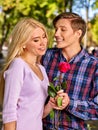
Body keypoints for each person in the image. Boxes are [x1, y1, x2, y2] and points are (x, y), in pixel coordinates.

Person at [0, 17, 61, 130]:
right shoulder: (18, 65)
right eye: (36, 40)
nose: (43, 43)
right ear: (23, 43)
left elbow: (37, 114)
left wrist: (51, 104)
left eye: (44, 37)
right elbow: (9, 112)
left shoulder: (41, 68)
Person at [42, 12, 98, 130]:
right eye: (56, 29)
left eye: (63, 29)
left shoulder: (94, 65)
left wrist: (70, 104)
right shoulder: (45, 56)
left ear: (78, 33)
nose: (56, 34)